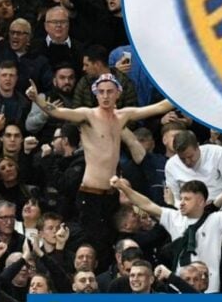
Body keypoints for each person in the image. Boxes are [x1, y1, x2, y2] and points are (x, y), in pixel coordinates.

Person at [25, 73, 172, 267]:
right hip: (90, 194)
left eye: (109, 91)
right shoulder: (88, 115)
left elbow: (158, 107)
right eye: (101, 92)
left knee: (110, 242)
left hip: (110, 194)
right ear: (95, 94)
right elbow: (57, 112)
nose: (105, 96)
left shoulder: (122, 115)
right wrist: (37, 99)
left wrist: (186, 94)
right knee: (94, 244)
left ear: (118, 93)